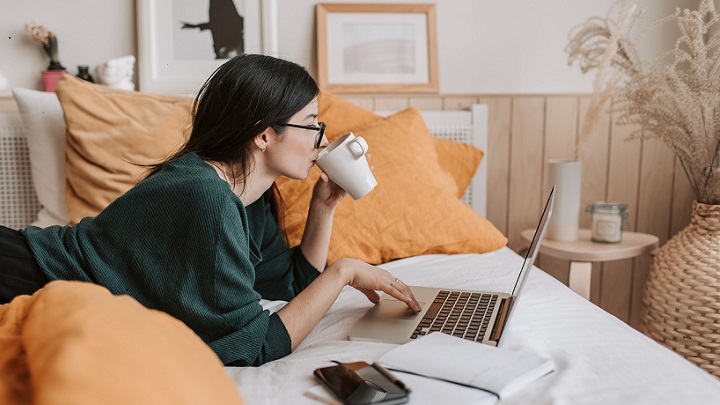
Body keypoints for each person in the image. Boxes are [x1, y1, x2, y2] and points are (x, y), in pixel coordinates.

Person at [0, 54, 421, 366]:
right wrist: (343, 271)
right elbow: (254, 345)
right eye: (311, 123)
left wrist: (324, 209)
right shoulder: (208, 198)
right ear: (262, 135)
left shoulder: (247, 196)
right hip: (24, 275)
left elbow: (287, 291)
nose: (319, 138)